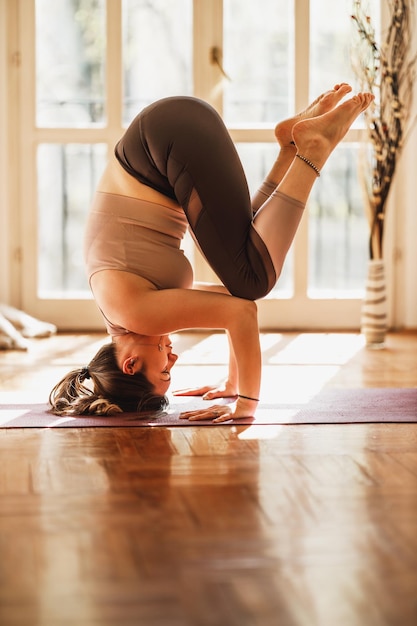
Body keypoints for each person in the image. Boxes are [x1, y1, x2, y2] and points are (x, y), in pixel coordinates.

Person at [49, 85, 374, 422]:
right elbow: (232, 305)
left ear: (130, 364)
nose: (173, 361)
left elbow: (241, 313)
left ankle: (313, 150)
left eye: (164, 373)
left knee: (253, 279)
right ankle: (291, 149)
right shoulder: (124, 312)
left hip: (171, 138)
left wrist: (245, 406)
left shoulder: (138, 315)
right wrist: (233, 382)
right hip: (169, 132)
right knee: (245, 265)